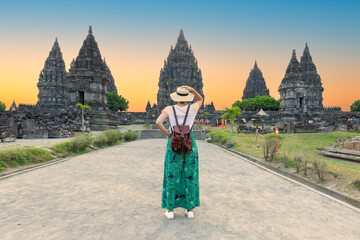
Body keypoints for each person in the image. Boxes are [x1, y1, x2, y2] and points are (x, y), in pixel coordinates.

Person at [155, 85, 203, 219]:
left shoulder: (169, 109)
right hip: (189, 143)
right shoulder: (193, 108)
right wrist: (192, 89)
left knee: (172, 174)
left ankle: (170, 210)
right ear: (187, 98)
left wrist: (168, 133)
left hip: (174, 143)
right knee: (190, 174)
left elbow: (158, 122)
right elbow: (200, 100)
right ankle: (190, 209)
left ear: (176, 97)